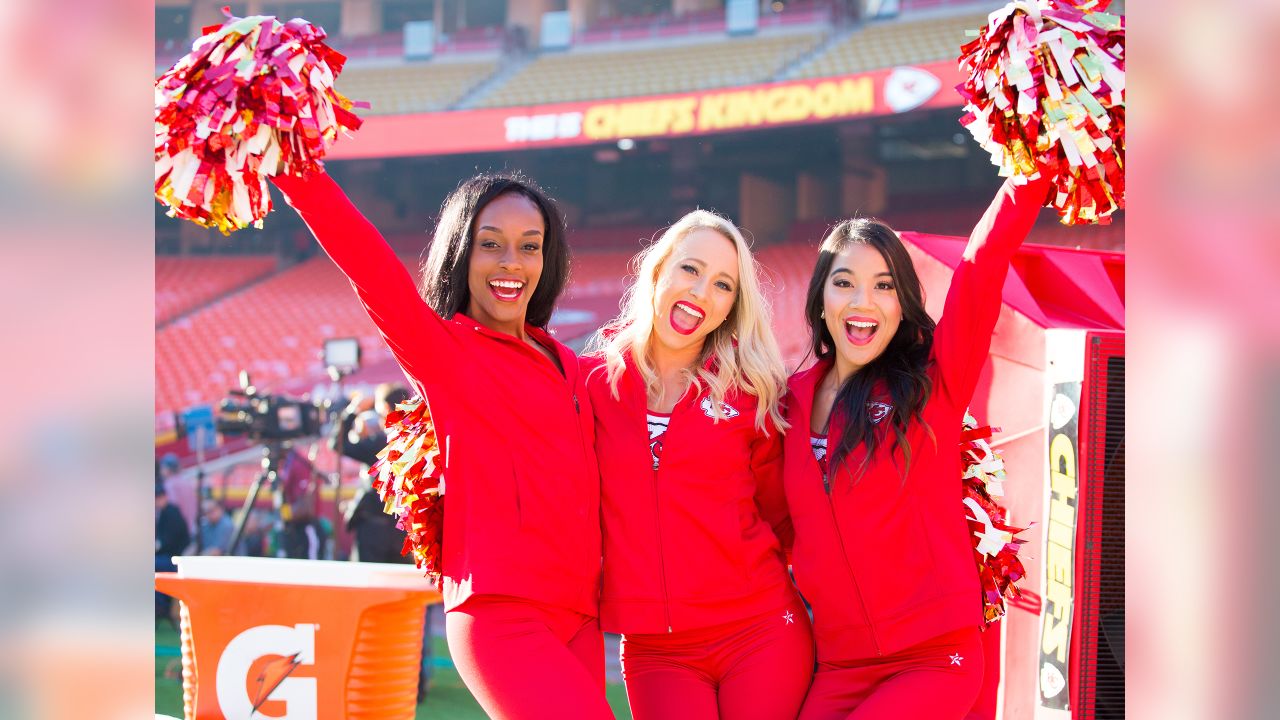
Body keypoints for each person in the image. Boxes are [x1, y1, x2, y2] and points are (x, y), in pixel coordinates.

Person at [271, 168, 610, 720]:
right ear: (460, 252)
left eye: (530, 246)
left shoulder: (576, 368)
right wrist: (297, 173)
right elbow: (368, 265)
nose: (511, 264)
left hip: (581, 617)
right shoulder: (445, 352)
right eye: (490, 245)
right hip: (502, 615)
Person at [783, 175, 1052, 719]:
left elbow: (983, 264)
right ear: (820, 298)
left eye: (884, 285)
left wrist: (1033, 165)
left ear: (903, 303)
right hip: (837, 668)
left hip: (934, 658)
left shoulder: (931, 385)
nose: (864, 302)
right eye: (845, 283)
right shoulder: (784, 405)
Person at [585, 210, 813, 720]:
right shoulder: (592, 386)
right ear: (659, 270)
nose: (701, 292)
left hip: (761, 631)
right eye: (690, 270)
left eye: (723, 284)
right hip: (656, 650)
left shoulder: (752, 393)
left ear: (733, 305)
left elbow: (781, 515)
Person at [155, 483, 191, 621]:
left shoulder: (172, 512)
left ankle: (161, 606)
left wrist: (157, 546)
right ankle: (159, 605)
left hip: (175, 559)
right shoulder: (164, 512)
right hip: (168, 556)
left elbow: (168, 542)